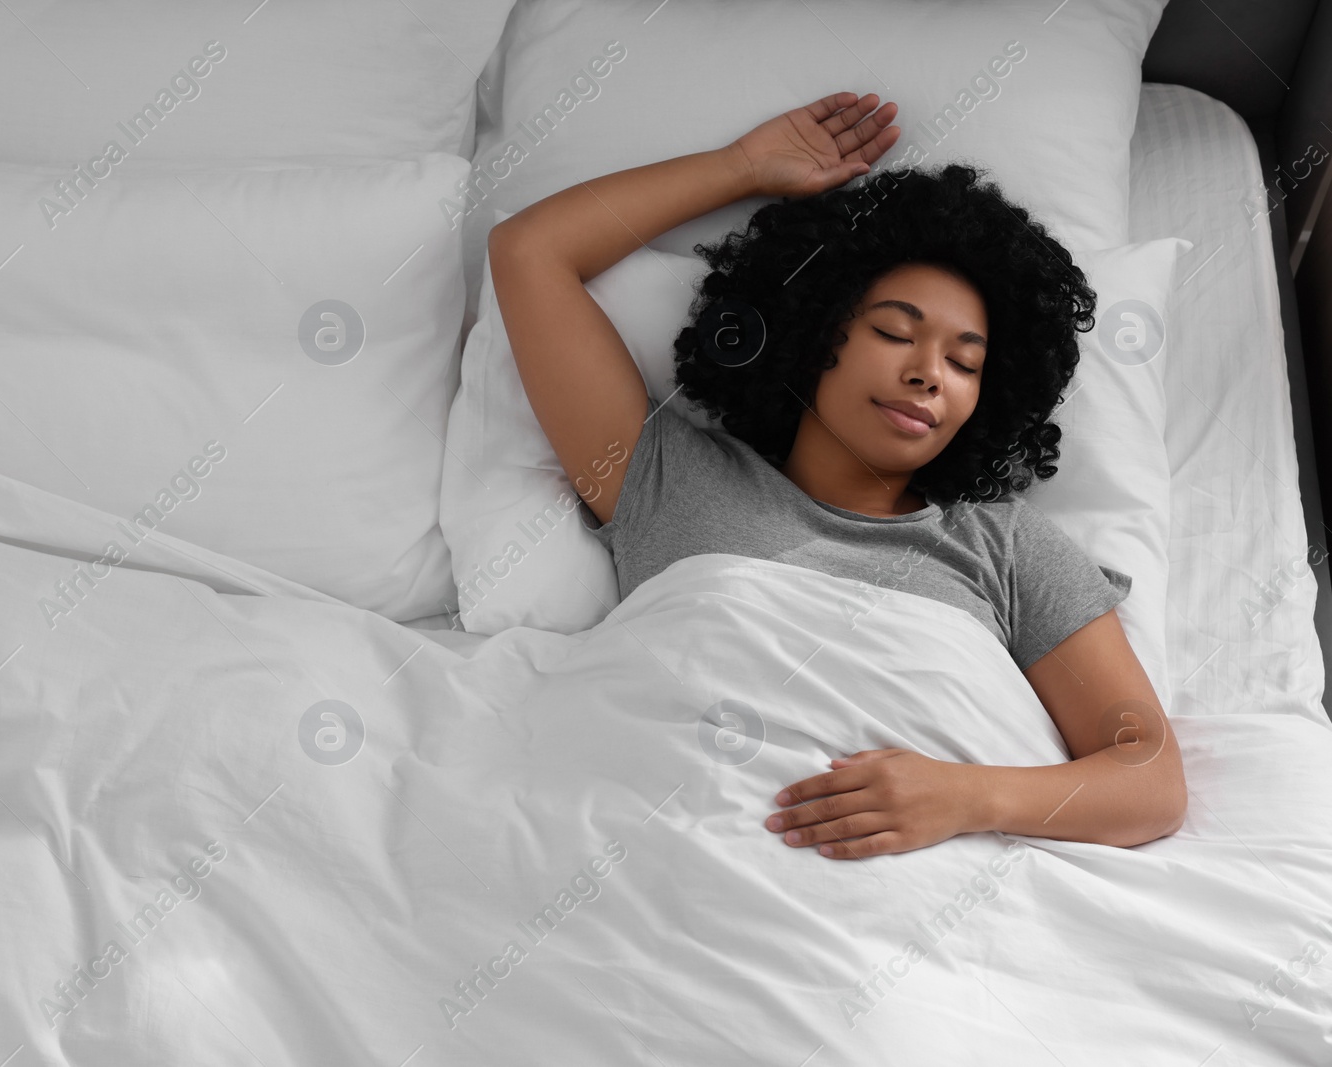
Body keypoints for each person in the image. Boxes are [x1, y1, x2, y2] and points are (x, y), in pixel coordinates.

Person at [488, 92, 1186, 861]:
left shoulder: (1006, 545)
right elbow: (530, 251)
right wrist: (740, 168)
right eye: (895, 332)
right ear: (813, 333)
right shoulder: (663, 475)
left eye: (965, 363)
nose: (929, 375)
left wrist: (966, 795)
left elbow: (1148, 775)